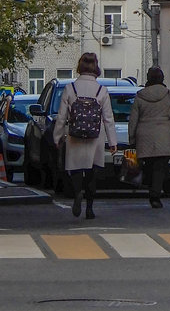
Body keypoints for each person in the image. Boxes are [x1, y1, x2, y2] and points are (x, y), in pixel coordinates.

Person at [53, 52, 117, 219]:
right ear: (96, 67)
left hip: (74, 135)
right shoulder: (102, 90)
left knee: (75, 169)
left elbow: (61, 117)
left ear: (80, 67)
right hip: (95, 137)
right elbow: (108, 118)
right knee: (92, 172)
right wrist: (113, 142)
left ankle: (76, 193)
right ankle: (89, 207)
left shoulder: (70, 88)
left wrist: (57, 137)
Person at [128, 66, 170, 208]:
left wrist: (131, 138)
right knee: (160, 166)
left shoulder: (140, 95)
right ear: (162, 79)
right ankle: (155, 195)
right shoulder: (169, 94)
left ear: (148, 79)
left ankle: (149, 186)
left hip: (144, 135)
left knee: (148, 164)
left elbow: (133, 119)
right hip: (164, 135)